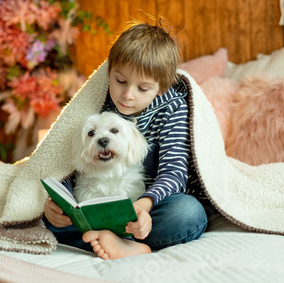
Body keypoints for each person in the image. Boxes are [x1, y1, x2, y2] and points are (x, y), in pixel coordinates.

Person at [43, 20, 208, 260]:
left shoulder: (173, 109)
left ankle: (120, 241)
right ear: (109, 72)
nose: (127, 95)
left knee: (189, 212)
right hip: (94, 202)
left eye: (142, 88)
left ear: (161, 87)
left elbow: (174, 173)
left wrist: (143, 206)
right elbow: (66, 162)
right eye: (120, 81)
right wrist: (56, 204)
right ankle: (116, 241)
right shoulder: (95, 100)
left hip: (149, 206)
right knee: (45, 219)